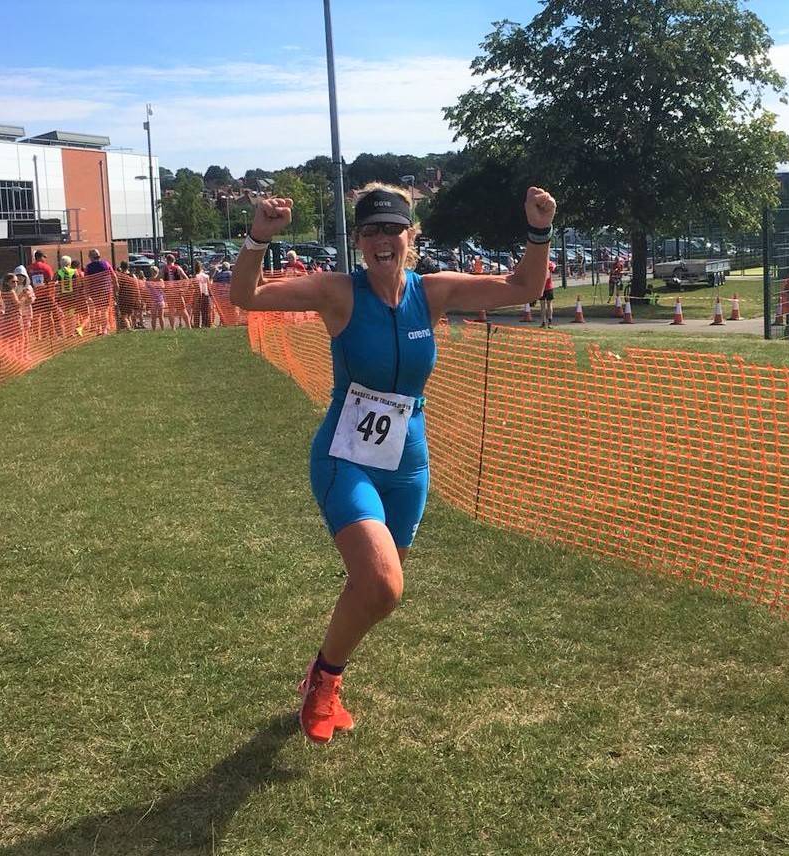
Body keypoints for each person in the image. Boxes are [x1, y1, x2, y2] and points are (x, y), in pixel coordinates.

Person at [230, 182, 557, 744]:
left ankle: (321, 672)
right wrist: (260, 236)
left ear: (413, 235)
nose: (383, 239)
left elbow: (524, 286)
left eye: (393, 228)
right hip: (346, 456)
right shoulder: (339, 293)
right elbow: (248, 297)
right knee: (381, 584)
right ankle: (324, 683)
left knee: (376, 588)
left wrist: (539, 230)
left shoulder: (431, 292)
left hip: (408, 461)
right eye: (371, 230)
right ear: (358, 240)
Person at [85, 248, 117, 335]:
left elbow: (87, 281)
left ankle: (98, 329)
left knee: (96, 310)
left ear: (91, 257)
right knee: (104, 310)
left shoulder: (88, 267)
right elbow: (114, 276)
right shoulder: (106, 264)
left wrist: (87, 294)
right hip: (106, 291)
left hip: (94, 292)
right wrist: (116, 286)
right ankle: (104, 330)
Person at [193, 260, 212, 328]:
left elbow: (195, 286)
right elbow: (209, 287)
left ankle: (197, 325)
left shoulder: (195, 276)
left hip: (198, 295)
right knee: (206, 311)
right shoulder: (206, 276)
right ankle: (206, 324)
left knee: (197, 312)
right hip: (206, 294)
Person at [540, 258, 556, 328]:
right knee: (545, 305)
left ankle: (547, 322)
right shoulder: (549, 264)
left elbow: (553, 267)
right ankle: (546, 322)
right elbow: (553, 267)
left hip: (546, 287)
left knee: (546, 305)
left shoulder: (546, 264)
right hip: (545, 288)